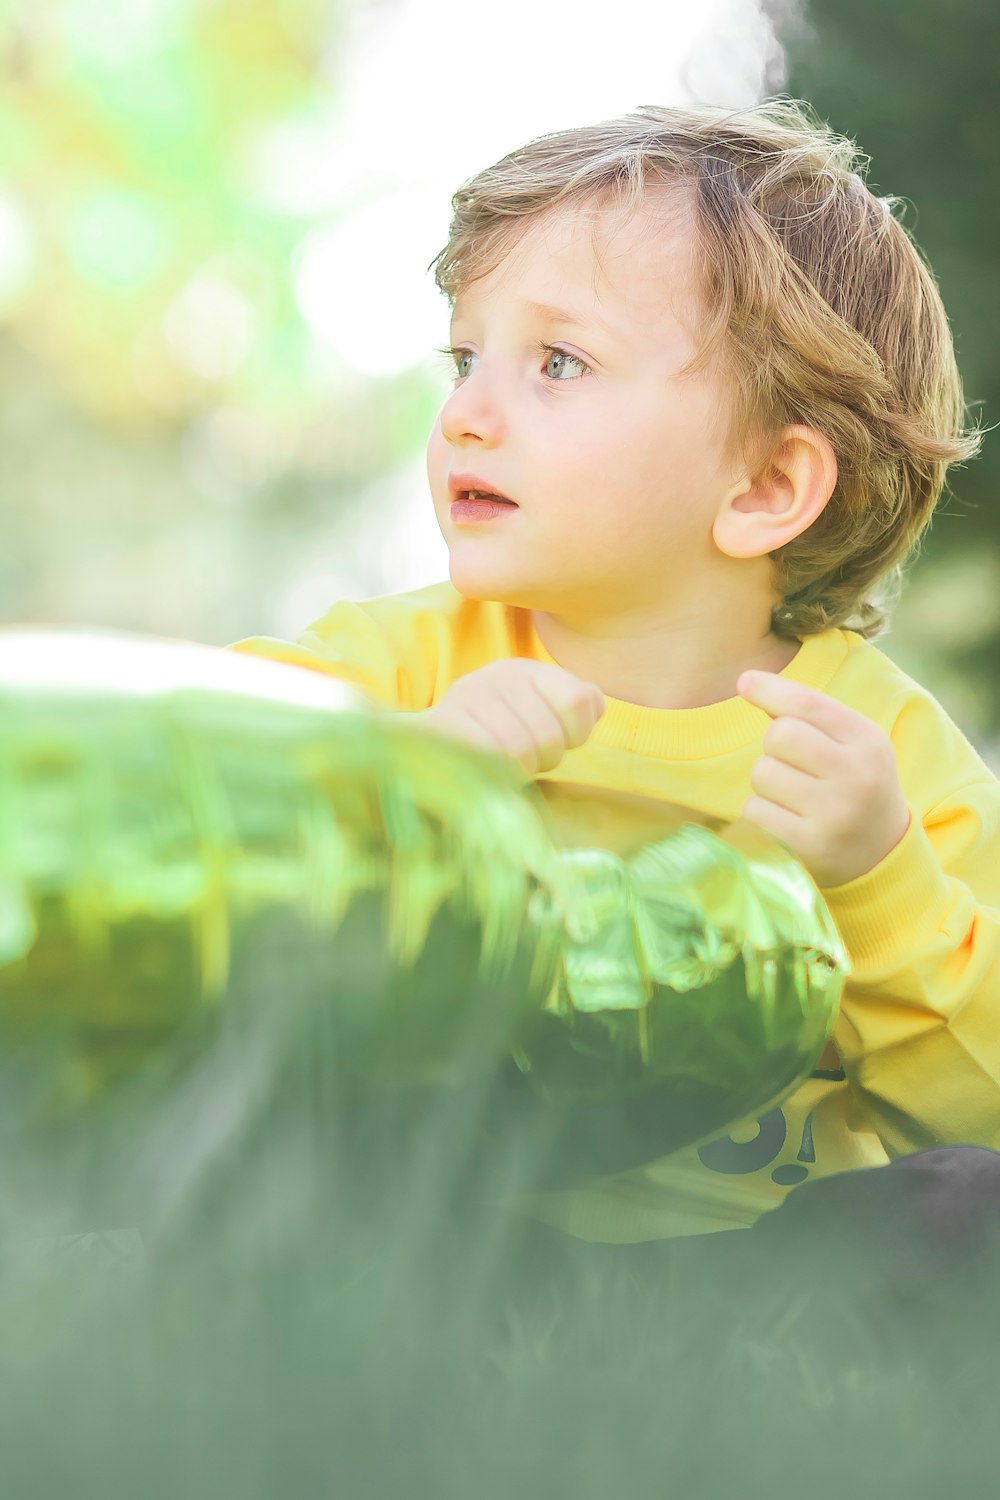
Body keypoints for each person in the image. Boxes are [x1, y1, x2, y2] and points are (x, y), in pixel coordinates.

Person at [231, 100, 1000, 1263]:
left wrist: (881, 877)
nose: (465, 419)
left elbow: (976, 1108)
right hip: (445, 1239)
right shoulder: (384, 665)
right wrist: (406, 782)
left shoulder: (878, 752)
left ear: (762, 488)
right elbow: (192, 843)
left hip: (756, 1267)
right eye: (464, 357)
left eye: (558, 362)